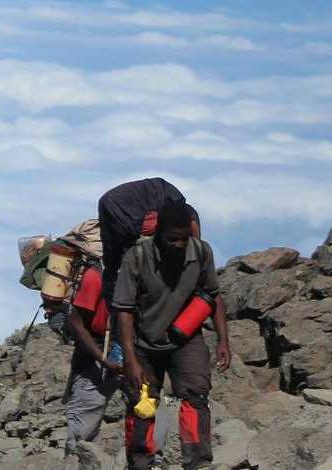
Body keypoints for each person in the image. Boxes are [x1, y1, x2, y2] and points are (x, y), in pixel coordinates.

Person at [113, 201, 230, 470]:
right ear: (158, 234)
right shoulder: (137, 257)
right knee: (142, 405)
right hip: (143, 343)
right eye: (172, 239)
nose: (178, 244)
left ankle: (198, 462)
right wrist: (130, 358)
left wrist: (224, 340)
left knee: (196, 397)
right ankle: (142, 463)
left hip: (185, 341)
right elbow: (124, 309)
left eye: (183, 238)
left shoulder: (200, 252)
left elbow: (213, 296)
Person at [64, 262, 122, 456]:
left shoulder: (145, 271)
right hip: (96, 354)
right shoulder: (96, 277)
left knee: (147, 412)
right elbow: (76, 322)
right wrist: (102, 360)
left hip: (128, 349)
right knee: (82, 430)